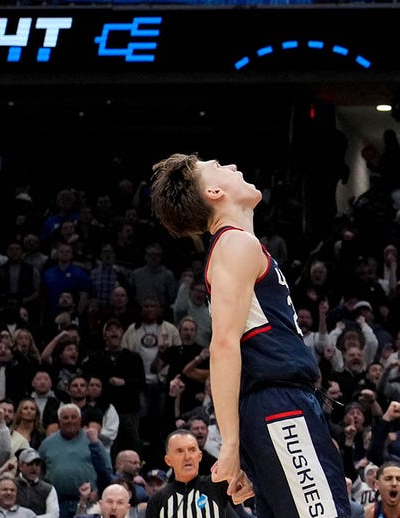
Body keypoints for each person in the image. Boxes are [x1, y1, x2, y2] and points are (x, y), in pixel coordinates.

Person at [149, 153, 348, 517]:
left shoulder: (235, 246)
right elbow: (223, 344)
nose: (233, 167)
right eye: (219, 167)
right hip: (279, 406)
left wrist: (243, 445)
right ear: (212, 191)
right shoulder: (234, 244)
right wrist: (230, 445)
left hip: (273, 409)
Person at [145, 429, 237, 518]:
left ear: (199, 456)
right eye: (180, 451)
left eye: (192, 450)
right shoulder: (157, 501)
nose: (187, 457)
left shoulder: (218, 486)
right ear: (168, 460)